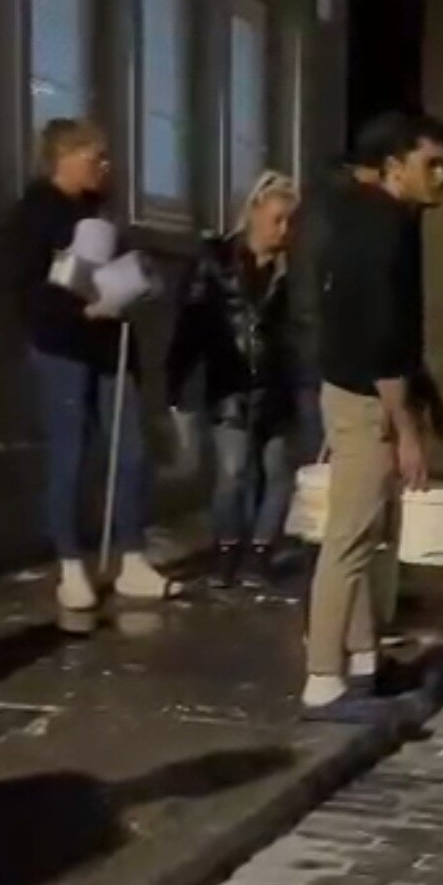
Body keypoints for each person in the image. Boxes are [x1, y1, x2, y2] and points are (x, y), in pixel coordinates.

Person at [297, 111, 443, 720]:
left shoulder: (382, 218)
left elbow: (399, 336)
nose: (441, 177)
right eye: (431, 164)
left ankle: (363, 661)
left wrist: (426, 399)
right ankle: (323, 681)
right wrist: (408, 428)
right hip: (366, 398)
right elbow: (380, 336)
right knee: (349, 538)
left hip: (365, 390)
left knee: (366, 534)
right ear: (394, 167)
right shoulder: (378, 227)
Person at [12, 118, 176, 613]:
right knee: (71, 454)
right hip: (62, 347)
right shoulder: (35, 212)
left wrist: (139, 282)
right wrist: (80, 310)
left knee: (131, 451)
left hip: (109, 347)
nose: (106, 166)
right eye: (96, 156)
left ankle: (131, 557)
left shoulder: (101, 213)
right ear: (65, 156)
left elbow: (122, 269)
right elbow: (27, 289)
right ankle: (70, 565)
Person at [166, 170, 300, 587]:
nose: (285, 230)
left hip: (277, 384)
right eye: (278, 219)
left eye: (291, 221)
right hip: (230, 387)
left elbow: (302, 329)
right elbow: (191, 324)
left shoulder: (290, 273)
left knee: (278, 472)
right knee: (233, 471)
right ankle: (226, 549)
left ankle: (260, 551)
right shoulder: (217, 263)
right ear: (254, 213)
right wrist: (177, 381)